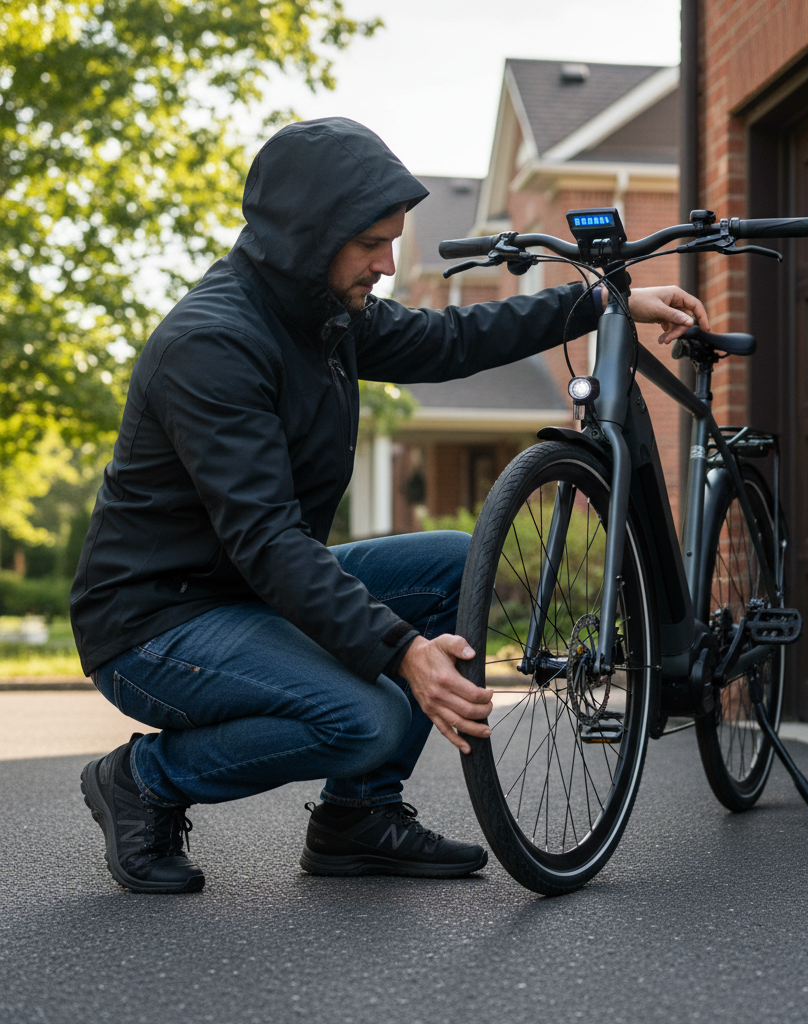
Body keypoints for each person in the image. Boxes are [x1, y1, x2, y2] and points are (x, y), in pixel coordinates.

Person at [72, 117, 709, 893]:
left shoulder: (321, 316)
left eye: (393, 239)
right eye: (372, 242)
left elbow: (447, 340)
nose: (389, 262)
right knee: (365, 714)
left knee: (451, 562)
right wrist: (403, 653)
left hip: (246, 592)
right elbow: (269, 540)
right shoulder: (214, 345)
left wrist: (608, 303)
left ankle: (357, 821)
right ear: (309, 237)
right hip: (153, 625)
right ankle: (144, 778)